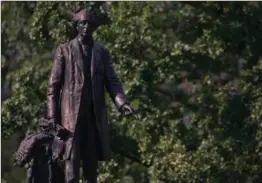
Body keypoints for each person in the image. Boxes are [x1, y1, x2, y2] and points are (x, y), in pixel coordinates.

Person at [47, 9, 135, 183]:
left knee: (91, 166)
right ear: (77, 26)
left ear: (95, 27)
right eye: (82, 23)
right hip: (71, 118)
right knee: (71, 162)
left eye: (89, 23)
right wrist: (52, 116)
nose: (86, 26)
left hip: (93, 117)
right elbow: (53, 87)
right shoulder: (64, 51)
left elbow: (112, 82)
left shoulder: (102, 53)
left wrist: (122, 103)